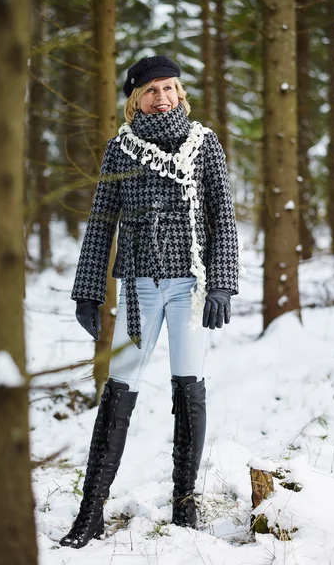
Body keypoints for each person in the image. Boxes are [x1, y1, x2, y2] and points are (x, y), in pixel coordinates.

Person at [60, 55, 239, 549]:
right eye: (150, 90)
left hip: (190, 285)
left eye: (169, 87)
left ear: (180, 93)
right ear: (134, 98)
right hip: (139, 288)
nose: (161, 97)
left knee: (189, 385)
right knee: (118, 388)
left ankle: (186, 504)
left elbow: (222, 218)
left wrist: (222, 283)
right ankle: (90, 511)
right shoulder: (120, 149)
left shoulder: (204, 147)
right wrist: (88, 291)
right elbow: (101, 223)